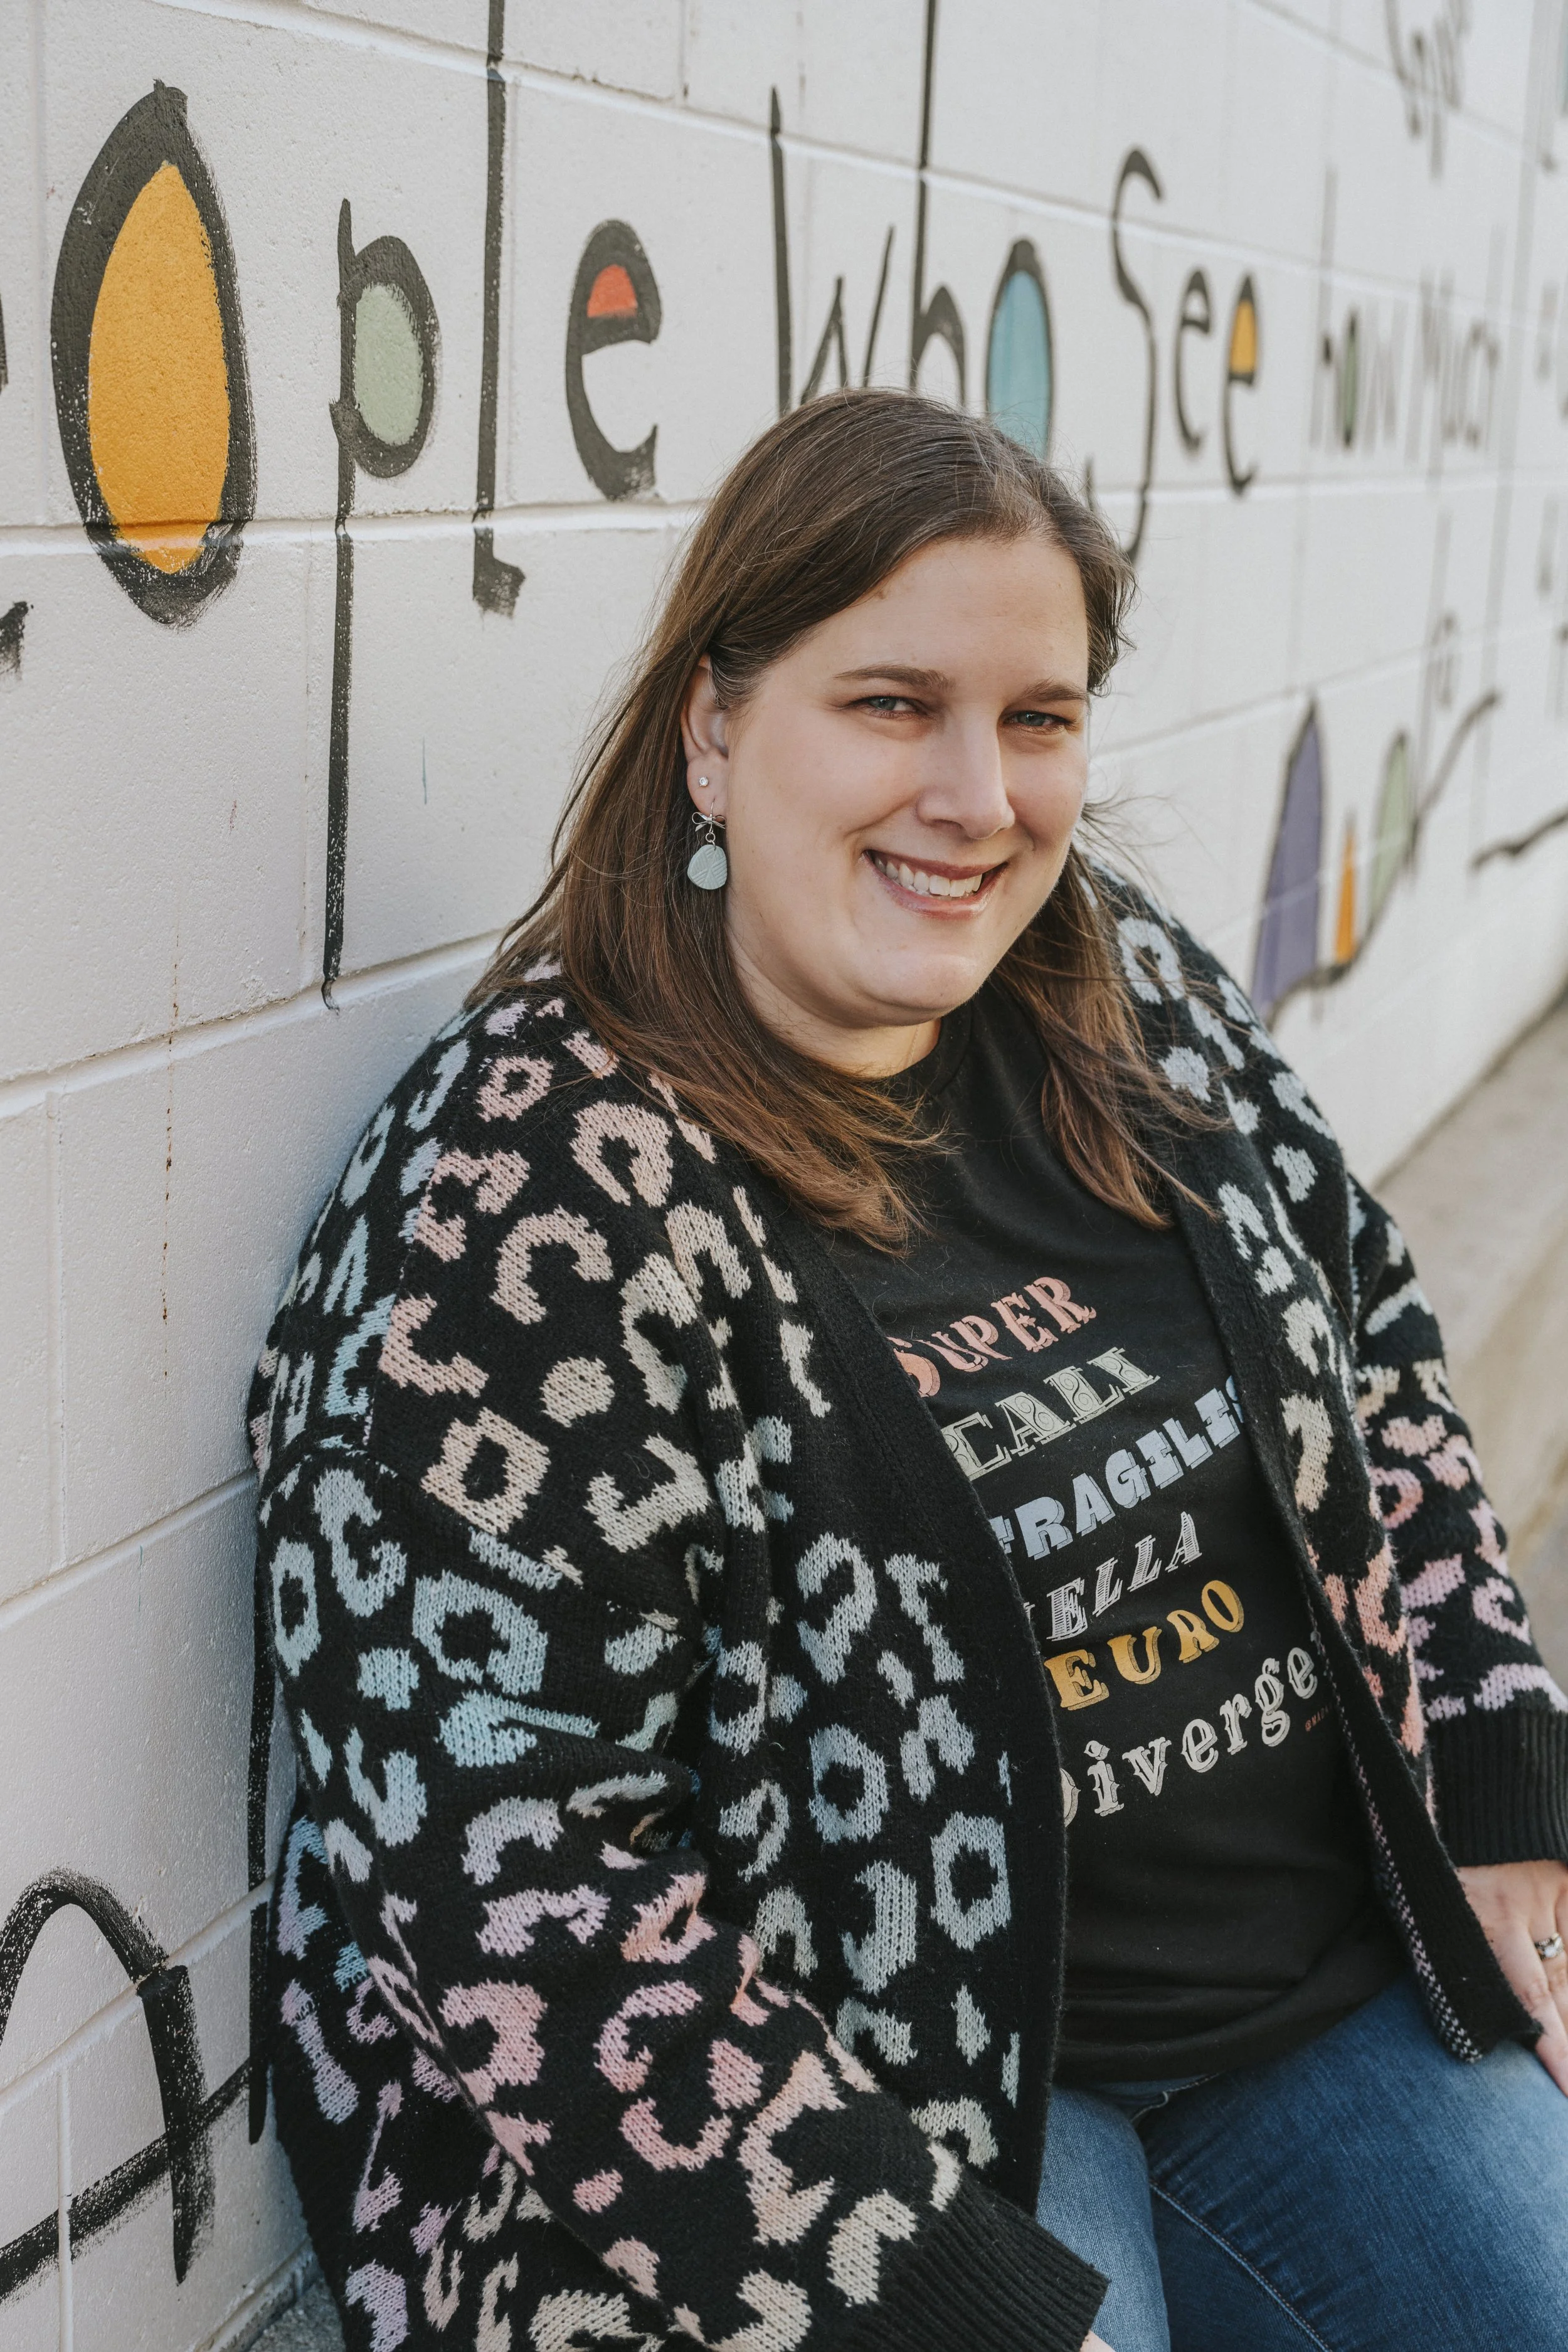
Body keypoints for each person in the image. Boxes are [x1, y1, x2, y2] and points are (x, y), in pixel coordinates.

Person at [250, 390, 1568, 2352]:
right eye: (890, 704)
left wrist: (1494, 1766)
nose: (980, 794)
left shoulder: (1118, 997)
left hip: (1311, 1992)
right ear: (713, 725)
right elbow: (499, 1872)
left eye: (1036, 718)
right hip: (870, 2114)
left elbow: (1371, 1340)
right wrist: (912, 2292)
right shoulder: (534, 1185)